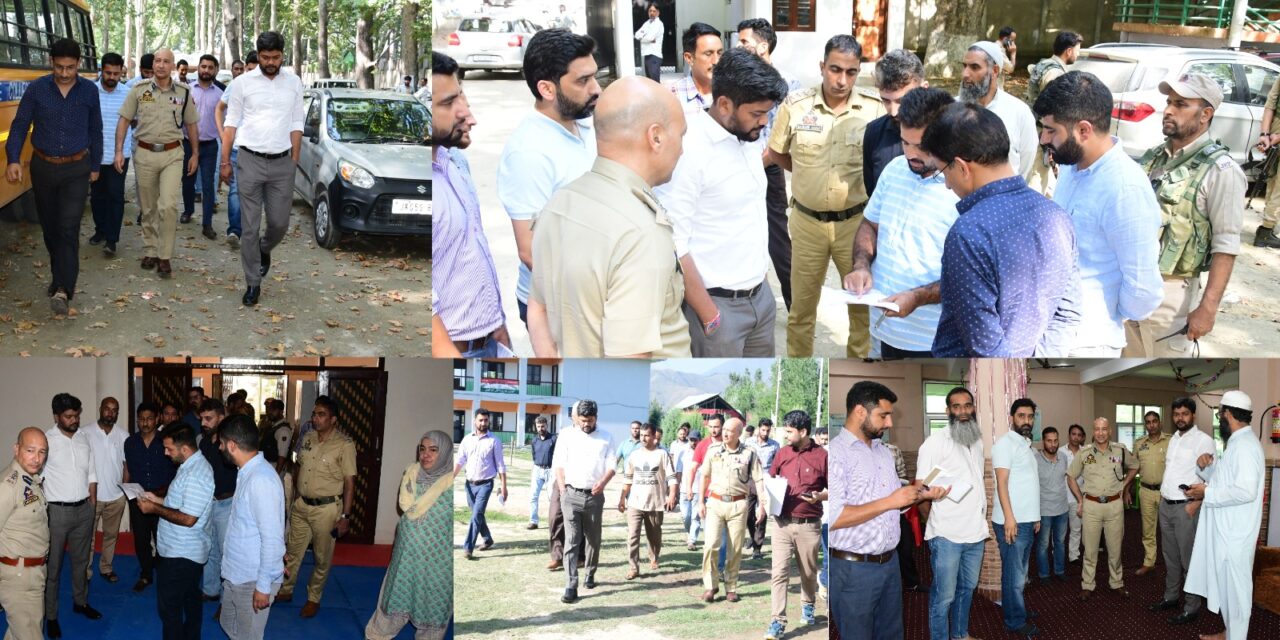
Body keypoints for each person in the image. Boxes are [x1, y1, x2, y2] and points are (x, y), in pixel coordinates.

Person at [525, 76, 691, 358]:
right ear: (656, 137)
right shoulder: (641, 232)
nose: (683, 148)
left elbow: (537, 308)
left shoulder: (560, 202)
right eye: (681, 135)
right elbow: (629, 357)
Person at [919, 102, 1080, 355]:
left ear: (961, 167)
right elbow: (1067, 314)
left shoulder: (969, 233)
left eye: (942, 173)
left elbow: (986, 348)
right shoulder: (1057, 216)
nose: (947, 185)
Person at [657, 48, 788, 357]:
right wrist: (709, 315)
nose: (764, 121)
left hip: (761, 300)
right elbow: (674, 243)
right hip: (718, 310)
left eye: (767, 112)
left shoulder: (746, 137)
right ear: (725, 104)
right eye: (756, 113)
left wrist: (762, 287)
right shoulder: (689, 152)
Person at [772, 35, 886, 359]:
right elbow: (778, 153)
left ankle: (858, 375)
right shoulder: (795, 106)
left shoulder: (874, 110)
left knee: (862, 314)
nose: (842, 80)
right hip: (807, 225)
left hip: (855, 225)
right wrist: (808, 177)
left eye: (851, 72)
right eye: (835, 69)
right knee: (801, 314)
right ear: (822, 66)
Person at [1033, 71, 1163, 356]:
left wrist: (1103, 312)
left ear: (1084, 130)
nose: (1043, 138)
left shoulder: (1124, 188)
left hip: (1088, 341)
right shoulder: (1071, 166)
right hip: (1051, 330)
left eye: (1051, 130)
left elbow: (1144, 290)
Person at [1132, 73, 1245, 356]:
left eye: (1181, 104)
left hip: (1172, 296)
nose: (1169, 110)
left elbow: (1226, 246)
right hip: (1131, 287)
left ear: (1206, 114)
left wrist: (1207, 308)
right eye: (1169, 102)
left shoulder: (1222, 171)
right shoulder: (1153, 158)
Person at [497, 29, 600, 329]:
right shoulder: (529, 153)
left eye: (595, 76)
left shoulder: (583, 123)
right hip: (560, 307)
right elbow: (531, 251)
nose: (597, 89)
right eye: (583, 81)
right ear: (547, 89)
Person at [845, 87, 958, 357]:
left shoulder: (962, 188)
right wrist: (861, 266)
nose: (910, 154)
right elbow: (870, 225)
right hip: (883, 329)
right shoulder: (894, 169)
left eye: (921, 146)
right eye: (905, 142)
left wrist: (918, 298)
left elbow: (967, 275)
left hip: (931, 340)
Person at [831, 381, 946, 640]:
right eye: (883, 415)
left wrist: (919, 495)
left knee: (892, 633)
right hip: (853, 569)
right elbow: (834, 517)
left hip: (889, 564)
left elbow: (895, 503)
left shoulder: (883, 452)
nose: (890, 423)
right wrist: (892, 501)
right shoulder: (836, 454)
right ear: (860, 411)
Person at [4, 38, 101, 316]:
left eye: (70, 68)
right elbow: (20, 124)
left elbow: (95, 129)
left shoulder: (89, 91)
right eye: (59, 67)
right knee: (50, 229)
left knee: (69, 228)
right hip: (43, 168)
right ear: (51, 63)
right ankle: (59, 274)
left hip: (76, 168)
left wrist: (95, 165)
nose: (65, 73)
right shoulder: (37, 89)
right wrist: (13, 159)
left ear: (78, 65)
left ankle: (63, 289)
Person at [429, 52, 510, 358]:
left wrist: (498, 326)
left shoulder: (456, 161)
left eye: (462, 96)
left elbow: (470, 251)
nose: (469, 116)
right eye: (449, 103)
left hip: (488, 341)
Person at [219, 31, 305, 306]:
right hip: (249, 160)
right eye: (265, 57)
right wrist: (224, 162)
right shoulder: (243, 83)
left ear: (282, 55)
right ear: (258, 55)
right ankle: (252, 282)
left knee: (280, 223)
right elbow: (230, 123)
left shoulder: (294, 82)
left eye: (276, 57)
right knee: (249, 227)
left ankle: (264, 249)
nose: (270, 62)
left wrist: (294, 160)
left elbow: (296, 123)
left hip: (282, 163)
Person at [1184, 391, 1263, 640]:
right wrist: (1206, 468)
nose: (1219, 420)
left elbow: (1246, 491)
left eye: (1220, 415)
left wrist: (1207, 492)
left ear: (1227, 414)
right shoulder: (1237, 443)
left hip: (1235, 537)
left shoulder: (1247, 446)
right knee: (1228, 592)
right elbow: (1225, 482)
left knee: (1238, 596)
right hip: (1227, 533)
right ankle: (1228, 633)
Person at [115, 47, 199, 280]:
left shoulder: (183, 92)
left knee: (168, 205)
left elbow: (191, 125)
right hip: (145, 154)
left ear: (173, 66)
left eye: (166, 61)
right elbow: (124, 120)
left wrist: (195, 154)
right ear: (153, 65)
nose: (161, 65)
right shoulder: (139, 90)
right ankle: (151, 250)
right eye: (157, 61)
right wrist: (118, 151)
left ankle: (164, 256)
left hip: (173, 154)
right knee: (149, 207)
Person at [738, 17, 802, 312]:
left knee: (778, 240)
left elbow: (780, 141)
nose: (737, 46)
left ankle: (796, 307)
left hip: (768, 166)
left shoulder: (787, 84)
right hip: (737, 166)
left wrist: (756, 165)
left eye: (743, 41)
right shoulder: (738, 78)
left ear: (763, 46)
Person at [913, 387, 986, 640]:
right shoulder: (934, 443)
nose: (963, 411)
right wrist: (929, 511)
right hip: (946, 535)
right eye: (957, 407)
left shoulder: (977, 440)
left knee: (968, 589)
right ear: (948, 411)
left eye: (968, 406)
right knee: (944, 597)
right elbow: (919, 490)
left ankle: (960, 635)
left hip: (975, 533)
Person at [365, 432, 453, 640]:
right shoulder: (412, 474)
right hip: (406, 558)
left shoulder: (454, 483)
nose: (426, 455)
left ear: (446, 452)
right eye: (422, 449)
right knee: (393, 601)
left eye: (433, 450)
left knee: (433, 609)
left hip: (438, 565)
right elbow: (405, 506)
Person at [278, 396, 356, 617]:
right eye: (314, 414)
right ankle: (286, 589)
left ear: (333, 419)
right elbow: (298, 467)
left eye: (321, 414)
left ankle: (314, 598)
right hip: (302, 505)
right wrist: (294, 498)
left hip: (327, 509)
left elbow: (350, 482)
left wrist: (346, 516)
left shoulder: (344, 444)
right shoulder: (308, 438)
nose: (315, 418)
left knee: (322, 557)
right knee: (292, 552)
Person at [136, 424, 214, 640]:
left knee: (170, 611)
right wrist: (158, 500)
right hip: (181, 552)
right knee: (190, 603)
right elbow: (181, 505)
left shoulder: (197, 473)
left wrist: (153, 509)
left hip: (182, 555)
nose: (165, 453)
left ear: (185, 449)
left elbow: (188, 518)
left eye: (169, 449)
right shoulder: (189, 466)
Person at [218, 415, 286, 640]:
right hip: (237, 572)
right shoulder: (248, 471)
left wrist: (264, 585)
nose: (219, 448)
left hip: (252, 578)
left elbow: (273, 539)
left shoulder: (261, 480)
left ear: (232, 445)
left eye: (221, 443)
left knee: (249, 636)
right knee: (228, 623)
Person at [1150, 397, 1216, 626]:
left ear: (1193, 415)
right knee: (1170, 557)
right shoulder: (1175, 439)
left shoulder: (1204, 440)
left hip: (1185, 509)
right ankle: (1171, 597)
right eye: (1176, 414)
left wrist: (1194, 506)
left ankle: (1191, 607)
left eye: (1184, 414)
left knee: (1189, 560)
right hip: (1166, 505)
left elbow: (1211, 479)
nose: (1180, 418)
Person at [43, 393, 103, 638]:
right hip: (56, 512)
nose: (74, 420)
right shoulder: (47, 440)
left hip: (83, 510)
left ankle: (81, 603)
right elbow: (38, 476)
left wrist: (92, 499)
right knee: (53, 568)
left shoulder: (83, 438)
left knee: (81, 563)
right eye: (69, 416)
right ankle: (51, 615)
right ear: (57, 416)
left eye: (77, 415)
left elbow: (91, 470)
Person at [763, 410, 826, 640]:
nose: (786, 435)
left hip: (809, 526)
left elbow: (836, 490)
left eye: (789, 431)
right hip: (781, 524)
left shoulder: (823, 456)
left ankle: (808, 603)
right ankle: (777, 621)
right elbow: (771, 479)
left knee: (808, 572)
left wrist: (820, 497)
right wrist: (767, 498)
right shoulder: (782, 453)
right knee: (778, 572)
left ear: (803, 431)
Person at [552, 399, 617, 604]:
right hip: (570, 495)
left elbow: (612, 465)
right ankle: (571, 585)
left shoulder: (607, 437)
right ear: (577, 418)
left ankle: (590, 572)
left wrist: (603, 483)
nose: (586, 424)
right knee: (572, 541)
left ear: (596, 417)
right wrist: (562, 490)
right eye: (582, 420)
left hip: (594, 497)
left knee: (593, 539)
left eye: (589, 420)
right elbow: (559, 465)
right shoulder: (566, 435)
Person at [1067, 417, 1138, 600]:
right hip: (1091, 506)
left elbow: (1135, 466)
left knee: (1115, 549)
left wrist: (1125, 485)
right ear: (1093, 431)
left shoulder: (1120, 451)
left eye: (1104, 429)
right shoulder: (1084, 453)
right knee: (1090, 550)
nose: (1100, 433)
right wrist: (1079, 500)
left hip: (1115, 506)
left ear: (1110, 431)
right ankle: (1087, 585)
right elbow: (1071, 476)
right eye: (1097, 429)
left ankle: (1117, 582)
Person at [697, 417, 765, 603]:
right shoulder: (713, 450)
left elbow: (758, 479)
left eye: (729, 430)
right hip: (715, 503)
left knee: (735, 548)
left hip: (738, 504)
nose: (725, 433)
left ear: (739, 433)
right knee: (711, 545)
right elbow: (704, 476)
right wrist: (700, 502)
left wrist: (762, 505)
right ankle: (710, 586)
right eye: (724, 429)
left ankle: (731, 586)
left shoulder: (749, 453)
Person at [992, 399, 1042, 637]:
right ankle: (1014, 620)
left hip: (1026, 519)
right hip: (1011, 521)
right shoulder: (1005, 444)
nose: (1027, 421)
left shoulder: (1026, 445)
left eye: (1030, 416)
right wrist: (1010, 519)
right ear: (1012, 417)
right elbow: (1002, 483)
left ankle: (1016, 608)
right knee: (1013, 575)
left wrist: (1035, 516)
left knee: (1020, 573)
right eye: (1021, 416)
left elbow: (1027, 484)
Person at [960, 41, 1037, 180]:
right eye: (964, 66)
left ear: (994, 71)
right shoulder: (952, 107)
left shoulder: (1019, 112)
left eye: (974, 67)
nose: (965, 74)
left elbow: (1026, 162)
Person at [0, 428, 50, 640]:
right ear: (16, 449)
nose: (37, 458)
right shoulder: (8, 486)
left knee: (20, 632)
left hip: (34, 571)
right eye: (30, 450)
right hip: (19, 577)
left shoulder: (29, 479)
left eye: (42, 452)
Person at [124, 401, 174, 596]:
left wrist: (167, 492)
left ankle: (163, 574)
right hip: (138, 499)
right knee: (141, 540)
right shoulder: (130, 442)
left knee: (163, 539)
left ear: (157, 419)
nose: (145, 423)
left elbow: (175, 470)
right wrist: (125, 488)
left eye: (149, 419)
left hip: (162, 498)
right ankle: (145, 574)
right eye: (141, 419)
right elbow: (128, 468)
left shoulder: (166, 441)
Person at [1024, 31, 1083, 196]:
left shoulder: (1044, 64)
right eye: (1078, 50)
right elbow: (1053, 107)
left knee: (1044, 177)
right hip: (1042, 132)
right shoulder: (1054, 73)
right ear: (1069, 51)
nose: (1078, 54)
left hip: (1036, 129)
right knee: (1037, 177)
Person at [863, 49, 926, 197]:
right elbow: (873, 192)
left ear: (924, 89)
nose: (893, 112)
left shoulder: (949, 132)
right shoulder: (874, 132)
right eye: (885, 100)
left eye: (902, 101)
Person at [619, 423, 677, 580]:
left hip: (655, 503)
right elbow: (628, 479)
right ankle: (633, 567)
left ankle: (654, 556)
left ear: (654, 437)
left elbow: (672, 478)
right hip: (635, 503)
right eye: (641, 435)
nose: (643, 438)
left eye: (646, 435)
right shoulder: (634, 455)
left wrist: (671, 495)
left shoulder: (662, 454)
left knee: (654, 536)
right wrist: (622, 498)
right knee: (632, 535)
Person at [197, 398, 239, 611]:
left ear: (221, 418)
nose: (203, 422)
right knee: (210, 548)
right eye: (201, 418)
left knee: (226, 553)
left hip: (227, 503)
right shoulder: (204, 443)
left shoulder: (232, 443)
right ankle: (211, 589)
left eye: (208, 418)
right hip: (209, 503)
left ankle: (227, 600)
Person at [89, 52, 133, 257]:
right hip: (94, 155)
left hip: (119, 155)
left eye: (116, 73)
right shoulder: (89, 91)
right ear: (101, 71)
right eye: (108, 73)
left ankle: (112, 239)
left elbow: (136, 121)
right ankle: (100, 230)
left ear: (121, 72)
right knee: (97, 196)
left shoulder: (128, 93)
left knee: (116, 195)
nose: (112, 77)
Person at [453, 407, 506, 561]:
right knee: (477, 514)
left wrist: (503, 487)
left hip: (486, 484)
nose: (483, 423)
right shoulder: (467, 439)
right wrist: (452, 476)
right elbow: (460, 460)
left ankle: (468, 548)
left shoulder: (494, 441)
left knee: (476, 515)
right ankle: (487, 538)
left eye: (486, 420)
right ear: (475, 421)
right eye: (480, 420)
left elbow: (501, 465)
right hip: (469, 484)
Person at [84, 396, 127, 584]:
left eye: (114, 410)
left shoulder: (123, 435)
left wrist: (124, 491)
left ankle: (106, 568)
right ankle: (85, 571)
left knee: (111, 536)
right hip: (91, 497)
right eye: (107, 409)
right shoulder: (85, 433)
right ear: (100, 409)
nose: (110, 413)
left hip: (116, 497)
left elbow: (127, 466)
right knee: (88, 538)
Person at [183, 54, 224, 240]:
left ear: (215, 70)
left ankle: (207, 224)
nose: (206, 70)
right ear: (198, 68)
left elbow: (226, 120)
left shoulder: (221, 95)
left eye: (210, 67)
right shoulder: (186, 90)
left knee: (208, 185)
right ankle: (188, 210)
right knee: (188, 181)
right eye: (203, 66)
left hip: (209, 146)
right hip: (187, 144)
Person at [1131, 410, 1170, 577]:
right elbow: (1134, 467)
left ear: (1160, 422)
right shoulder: (1139, 443)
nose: (1151, 424)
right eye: (1148, 422)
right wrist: (1127, 488)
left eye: (1154, 421)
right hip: (1146, 491)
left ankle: (1172, 563)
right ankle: (1149, 562)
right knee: (1148, 530)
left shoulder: (1171, 441)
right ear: (1145, 424)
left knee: (1169, 530)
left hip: (1166, 492)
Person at [1035, 426, 1069, 584]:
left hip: (1062, 509)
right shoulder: (1036, 459)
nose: (1053, 444)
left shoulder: (1063, 457)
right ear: (1043, 441)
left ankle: (1060, 570)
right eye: (1049, 441)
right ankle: (1044, 574)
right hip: (1044, 511)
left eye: (1055, 440)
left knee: (1060, 543)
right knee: (1043, 544)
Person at [747, 417, 780, 560]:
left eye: (768, 430)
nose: (765, 433)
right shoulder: (748, 443)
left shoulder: (774, 445)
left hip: (766, 481)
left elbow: (777, 464)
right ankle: (752, 536)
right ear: (758, 429)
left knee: (763, 514)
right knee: (748, 514)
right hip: (750, 481)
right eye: (763, 430)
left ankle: (757, 548)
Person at [670, 23, 721, 113]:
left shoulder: (731, 92)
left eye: (719, 53)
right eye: (708, 54)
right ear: (689, 58)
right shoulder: (673, 96)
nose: (716, 61)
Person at [674, 424, 702, 551]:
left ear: (699, 440)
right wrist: (675, 489)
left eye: (695, 440)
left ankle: (692, 540)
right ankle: (689, 532)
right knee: (686, 516)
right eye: (691, 439)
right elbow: (679, 471)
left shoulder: (704, 452)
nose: (693, 442)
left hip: (698, 489)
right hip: (684, 489)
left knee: (696, 516)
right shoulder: (683, 452)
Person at [1063, 423, 1086, 562]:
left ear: (1082, 437)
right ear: (1069, 435)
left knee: (1076, 529)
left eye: (1079, 435)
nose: (1076, 437)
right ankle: (1057, 554)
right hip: (1061, 497)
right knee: (1059, 532)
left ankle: (1074, 555)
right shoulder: (1060, 452)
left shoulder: (1086, 453)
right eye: (1073, 434)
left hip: (1078, 499)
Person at [529, 417, 555, 530]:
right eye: (538, 426)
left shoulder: (554, 439)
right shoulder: (534, 441)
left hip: (550, 471)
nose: (541, 428)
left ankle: (554, 522)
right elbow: (534, 456)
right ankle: (533, 521)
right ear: (536, 426)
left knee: (552, 498)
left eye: (542, 426)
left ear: (547, 425)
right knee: (533, 497)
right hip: (537, 470)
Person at [634, 3, 663, 83]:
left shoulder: (659, 24)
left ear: (658, 13)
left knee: (655, 81)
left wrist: (642, 38)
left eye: (654, 11)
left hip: (654, 55)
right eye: (650, 11)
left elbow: (650, 38)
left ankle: (658, 95)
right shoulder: (647, 23)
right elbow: (636, 35)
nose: (652, 13)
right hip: (647, 55)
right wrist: (646, 38)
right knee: (649, 81)